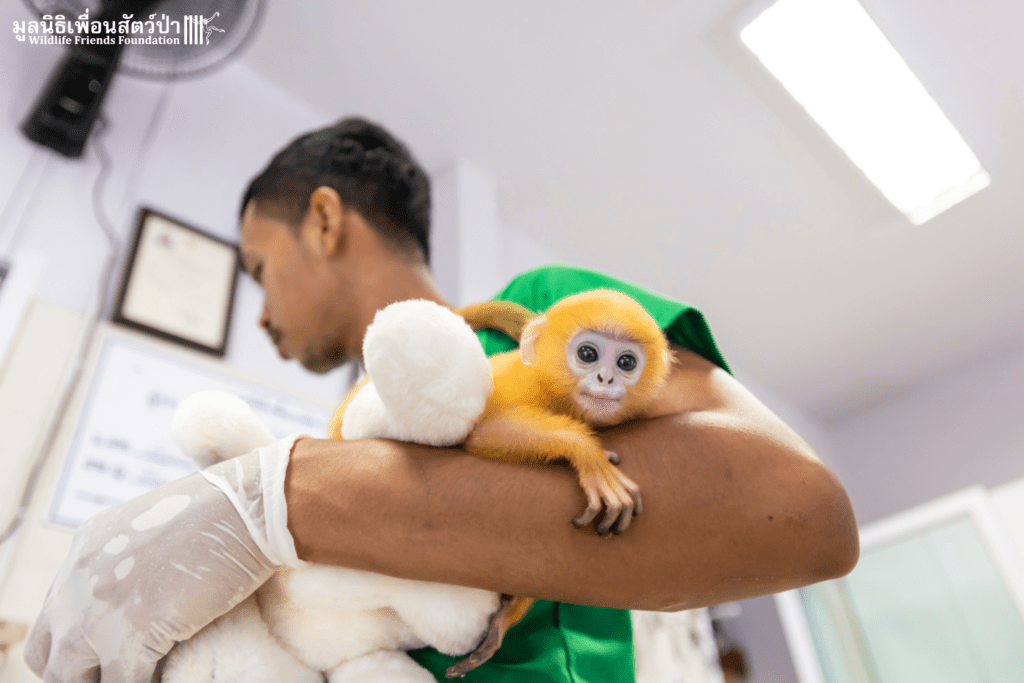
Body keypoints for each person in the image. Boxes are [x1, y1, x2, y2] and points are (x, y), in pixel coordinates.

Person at [25, 118, 858, 682]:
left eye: (260, 269)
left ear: (323, 221)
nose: (263, 315)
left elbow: (800, 514)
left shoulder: (543, 320)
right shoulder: (347, 437)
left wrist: (276, 495)